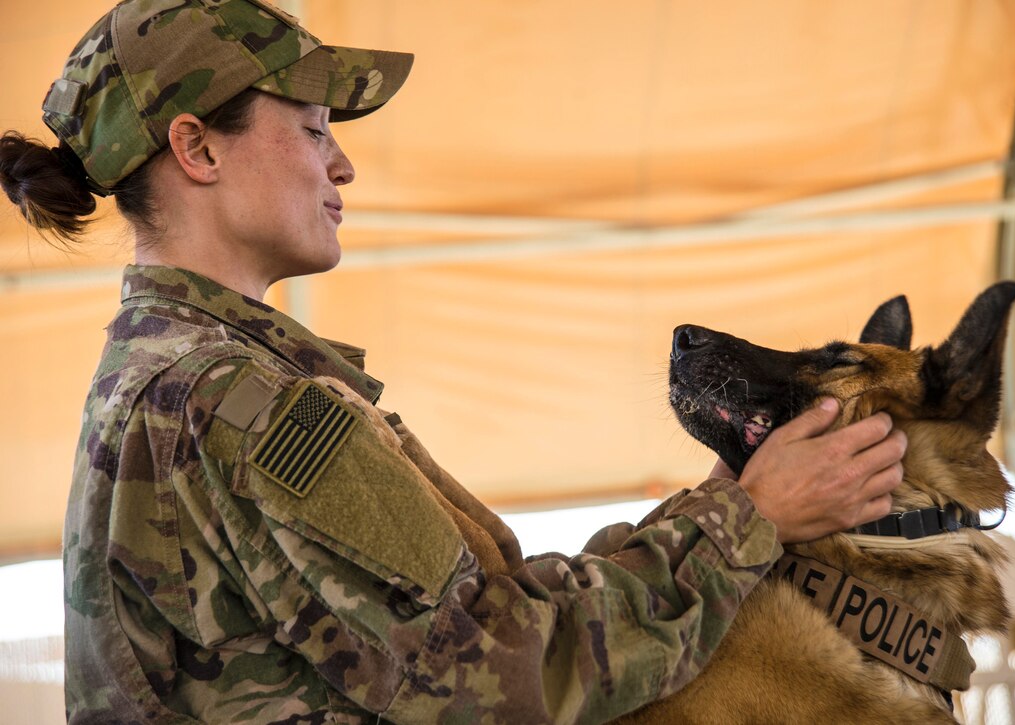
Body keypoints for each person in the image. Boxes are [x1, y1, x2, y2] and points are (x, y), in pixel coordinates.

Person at [0, 1, 906, 722]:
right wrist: (747, 519)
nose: (343, 165)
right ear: (197, 147)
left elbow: (470, 611)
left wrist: (724, 510)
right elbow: (501, 672)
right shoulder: (241, 401)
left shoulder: (165, 379)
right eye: (314, 129)